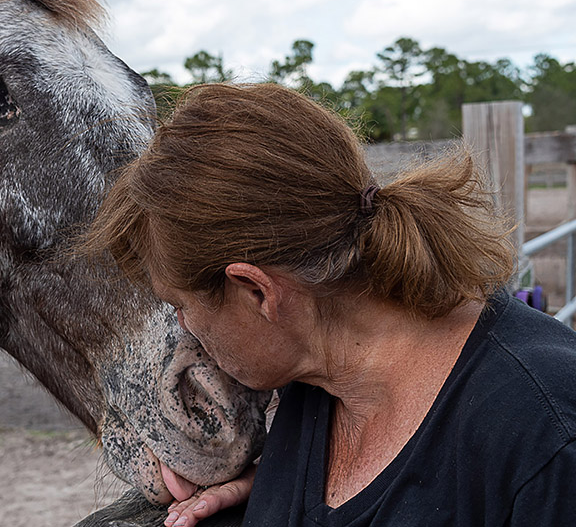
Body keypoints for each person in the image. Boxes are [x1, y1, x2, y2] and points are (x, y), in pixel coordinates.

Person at [81, 83, 576, 526]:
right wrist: (270, 490)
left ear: (258, 292)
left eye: (179, 305)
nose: (183, 327)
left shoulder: (545, 435)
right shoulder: (313, 377)